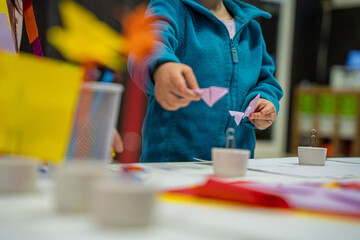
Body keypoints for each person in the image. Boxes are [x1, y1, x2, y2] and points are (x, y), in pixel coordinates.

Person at [132, 0, 282, 162]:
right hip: (172, 167)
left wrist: (266, 101)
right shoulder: (170, 7)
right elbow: (148, 46)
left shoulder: (252, 29)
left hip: (235, 168)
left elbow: (266, 80)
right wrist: (162, 66)